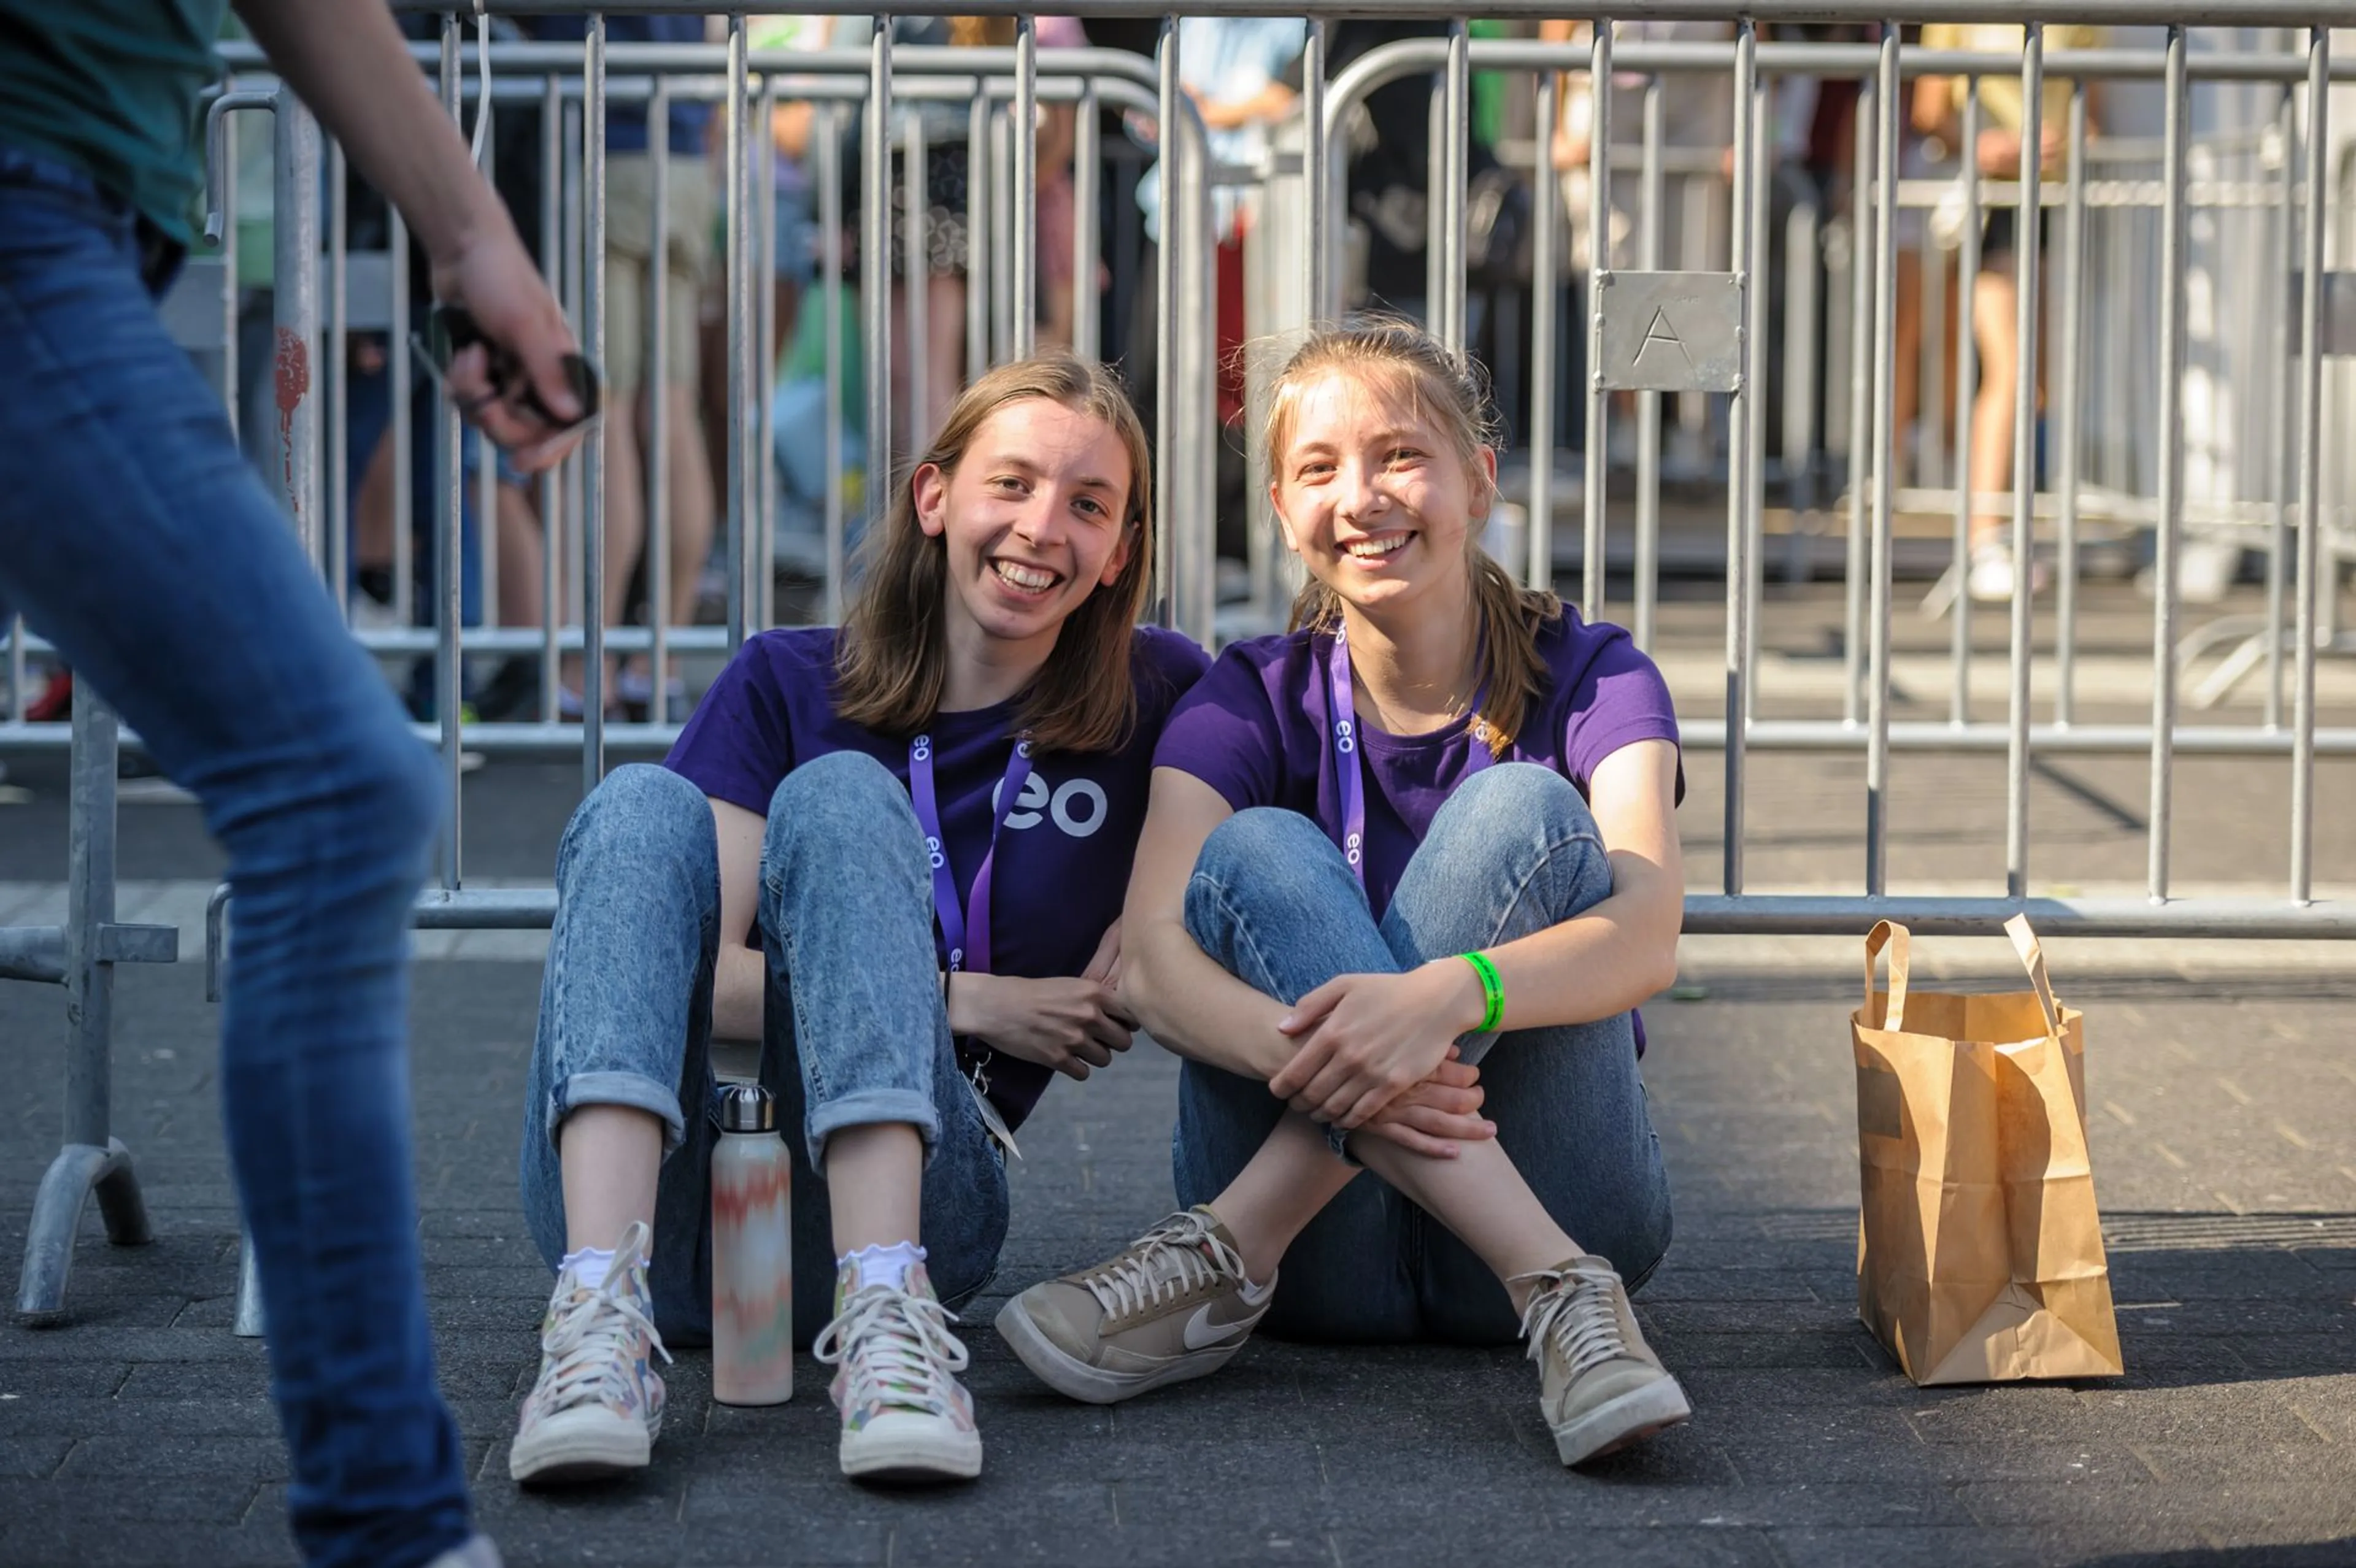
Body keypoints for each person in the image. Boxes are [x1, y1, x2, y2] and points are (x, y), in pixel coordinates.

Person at [0, 1, 587, 1563]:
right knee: (339, 791)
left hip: (91, 214)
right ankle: (391, 1528)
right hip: (29, 201)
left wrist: (468, 237)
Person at [998, 320, 1693, 1469]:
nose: (1361, 497)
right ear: (1281, 508)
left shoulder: (1595, 671)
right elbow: (1157, 965)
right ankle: (1557, 1292)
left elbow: (1647, 933)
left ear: (1480, 479)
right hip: (1321, 1265)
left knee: (1520, 812)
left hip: (1566, 1195)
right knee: (1258, 849)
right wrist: (1350, 1055)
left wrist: (1447, 996)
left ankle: (1228, 1250)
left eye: (1400, 457)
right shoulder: (1244, 695)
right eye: (1320, 470)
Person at [510, 354, 1207, 1487]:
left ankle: (889, 1321)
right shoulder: (787, 680)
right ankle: (593, 1316)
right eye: (1013, 484)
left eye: (1089, 506)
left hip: (929, 1196)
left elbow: (1273, 841)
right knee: (657, 800)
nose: (1042, 528)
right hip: (682, 1190)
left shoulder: (1161, 695)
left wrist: (1159, 909)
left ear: (1120, 550)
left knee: (838, 795)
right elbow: (707, 975)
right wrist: (971, 1002)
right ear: (935, 498)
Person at [528, 13, 721, 720]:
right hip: (682, 163)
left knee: (601, 420)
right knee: (670, 415)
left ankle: (590, 666)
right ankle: (657, 659)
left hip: (606, 153)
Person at [1914, 23, 2102, 603]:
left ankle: (2002, 532)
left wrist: (2071, 143)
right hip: (1993, 203)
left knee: (2034, 384)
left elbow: (2088, 112)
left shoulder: (2080, 16)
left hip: (2050, 205)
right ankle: (1984, 540)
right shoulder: (1955, 14)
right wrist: (1987, 144)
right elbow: (1929, 111)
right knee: (2011, 371)